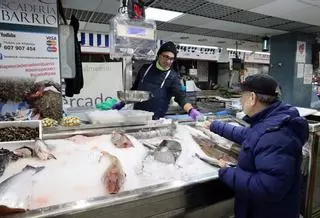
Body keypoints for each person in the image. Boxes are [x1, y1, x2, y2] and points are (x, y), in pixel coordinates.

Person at [204, 74, 309, 218]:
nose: (241, 101)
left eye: (242, 96)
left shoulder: (275, 135)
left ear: (252, 98)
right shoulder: (271, 122)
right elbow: (250, 135)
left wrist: (227, 172)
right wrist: (215, 126)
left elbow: (269, 187)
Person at [113, 41, 201, 120]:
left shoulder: (173, 77)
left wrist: (190, 110)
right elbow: (135, 90)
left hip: (156, 120)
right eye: (166, 57)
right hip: (137, 116)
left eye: (171, 58)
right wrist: (123, 102)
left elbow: (180, 97)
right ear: (159, 55)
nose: (168, 61)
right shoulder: (145, 69)